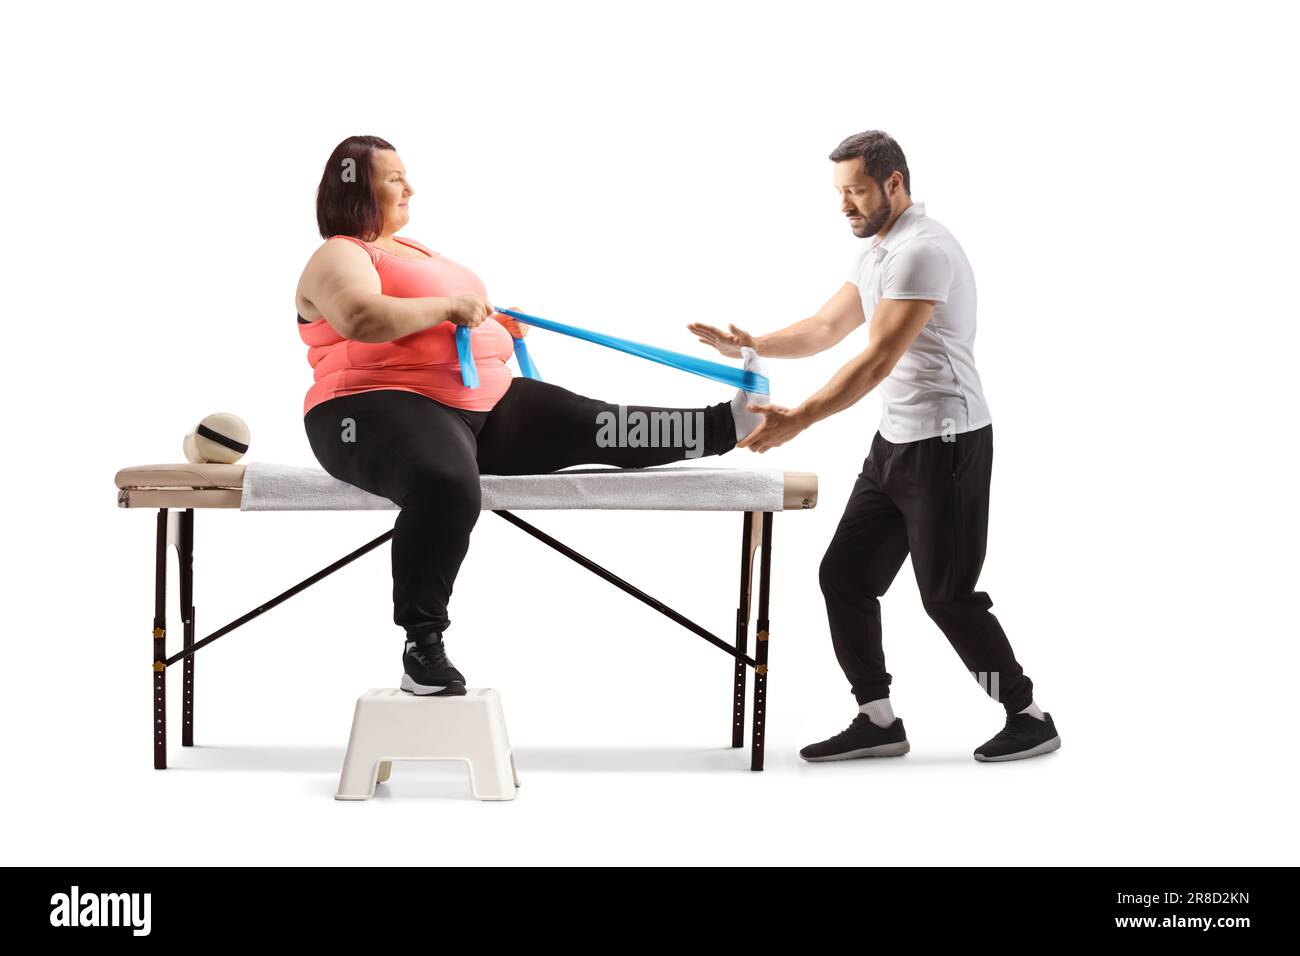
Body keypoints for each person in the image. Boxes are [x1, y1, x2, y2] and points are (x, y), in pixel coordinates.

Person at [295, 135, 768, 697]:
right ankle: (422, 644)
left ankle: (727, 425)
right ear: (356, 187)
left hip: (479, 403)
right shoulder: (340, 253)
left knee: (591, 421)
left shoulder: (417, 251)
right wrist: (451, 307)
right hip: (369, 407)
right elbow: (360, 317)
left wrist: (496, 327)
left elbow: (439, 325)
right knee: (446, 483)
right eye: (394, 177)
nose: (410, 187)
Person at [689, 130, 1059, 762]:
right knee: (845, 577)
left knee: (947, 597)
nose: (845, 206)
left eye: (856, 191)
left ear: (895, 183)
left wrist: (802, 416)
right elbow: (827, 326)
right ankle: (877, 718)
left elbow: (878, 358)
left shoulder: (923, 251)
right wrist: (752, 346)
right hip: (895, 445)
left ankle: (1027, 713)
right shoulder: (880, 250)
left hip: (947, 443)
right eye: (839, 192)